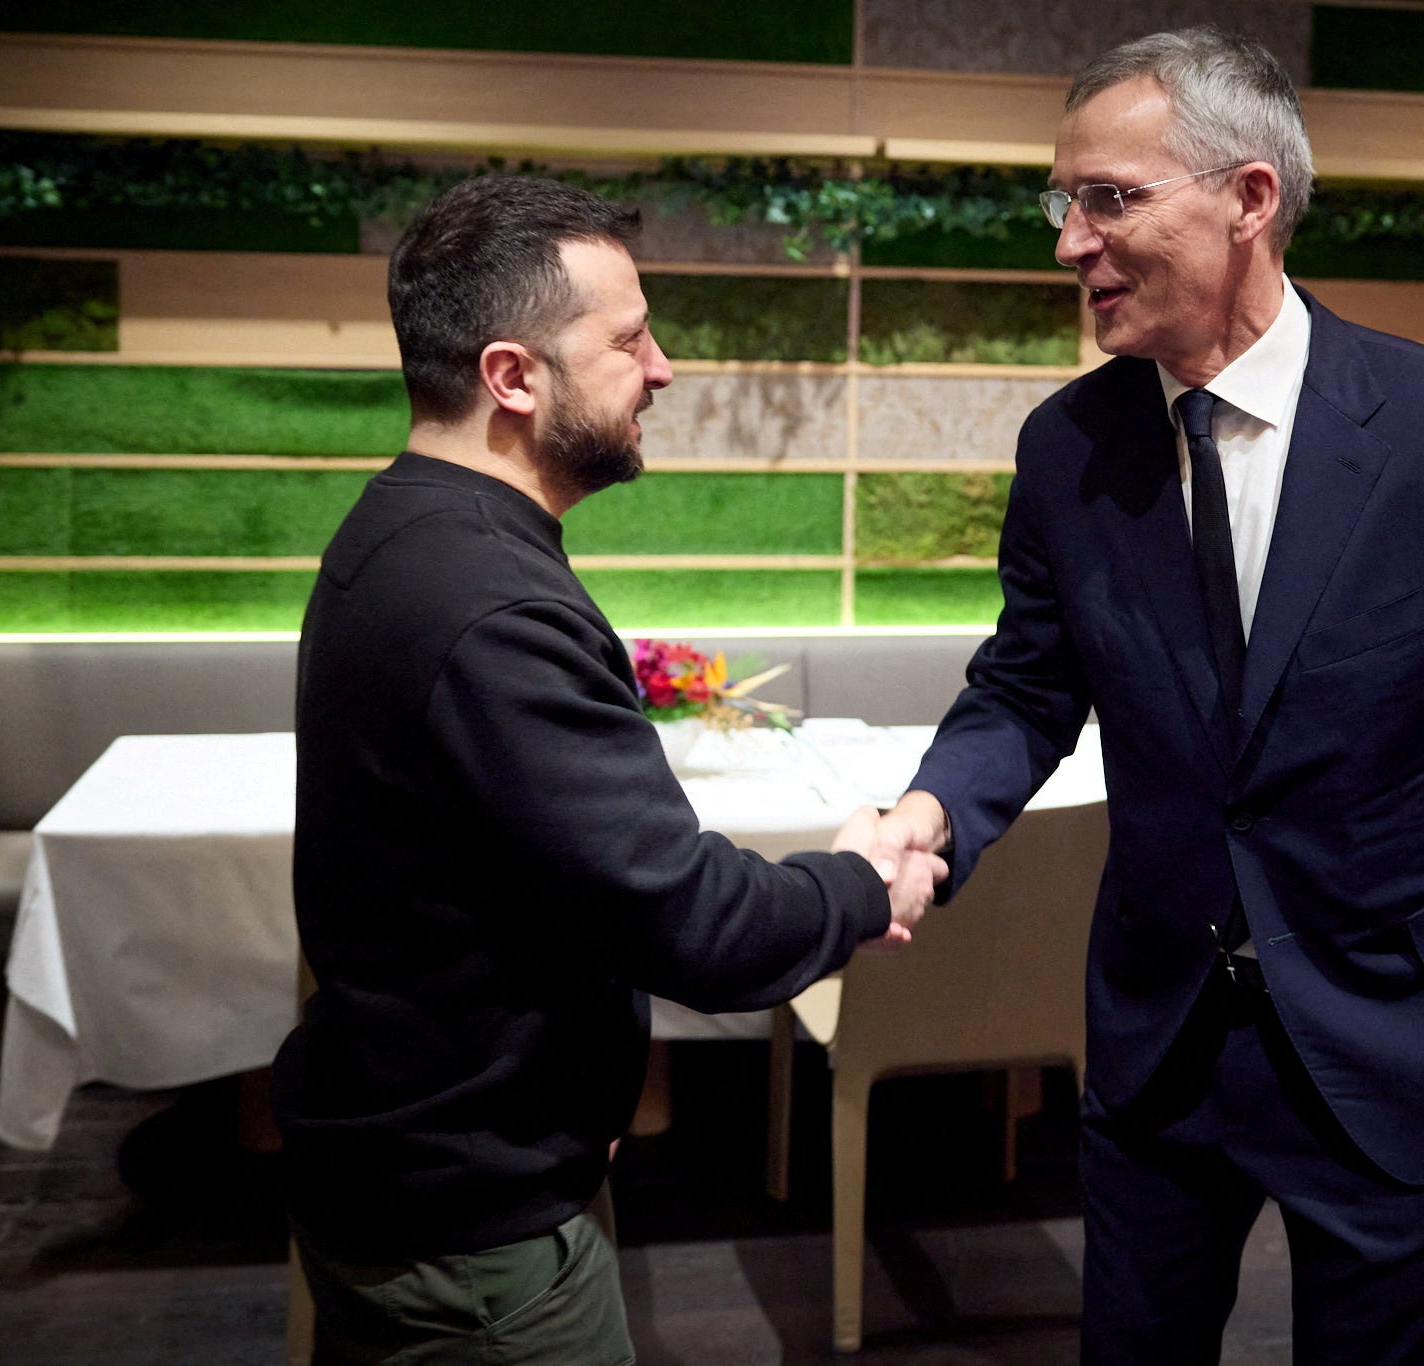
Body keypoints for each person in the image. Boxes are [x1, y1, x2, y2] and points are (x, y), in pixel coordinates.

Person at [873, 26, 1424, 1364]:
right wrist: (934, 811)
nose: (1069, 243)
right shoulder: (1070, 446)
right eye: (1064, 203)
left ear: (1249, 197)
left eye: (1107, 198)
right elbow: (1027, 685)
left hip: (1391, 1045)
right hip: (1158, 1044)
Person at [273, 174, 941, 1364]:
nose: (664, 367)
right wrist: (858, 885)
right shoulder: (486, 600)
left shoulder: (399, 531)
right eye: (628, 338)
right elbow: (677, 914)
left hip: (414, 1169)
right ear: (512, 376)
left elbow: (534, 888)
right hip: (475, 1236)